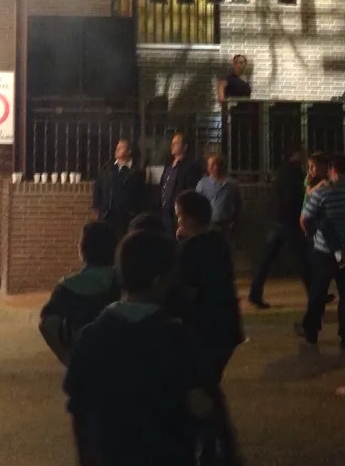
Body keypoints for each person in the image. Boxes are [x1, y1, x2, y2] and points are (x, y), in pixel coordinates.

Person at [63, 229, 211, 466]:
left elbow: (79, 407)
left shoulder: (90, 337)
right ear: (159, 280)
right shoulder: (174, 336)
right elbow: (199, 404)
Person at [173, 189, 244, 466]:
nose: (177, 221)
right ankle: (219, 449)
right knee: (208, 386)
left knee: (203, 389)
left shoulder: (190, 251)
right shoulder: (218, 242)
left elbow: (188, 292)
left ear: (188, 218)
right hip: (227, 327)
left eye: (179, 216)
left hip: (205, 329)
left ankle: (217, 451)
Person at [299, 153, 345, 353]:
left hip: (325, 250)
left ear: (331, 169)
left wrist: (310, 232)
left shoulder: (324, 191)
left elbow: (305, 218)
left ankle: (312, 332)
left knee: (318, 292)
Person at [38, 220, 119, 366]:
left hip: (83, 359)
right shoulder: (121, 281)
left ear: (83, 249)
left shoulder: (67, 286)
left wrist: (67, 358)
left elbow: (47, 324)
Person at [249, 149, 310, 309]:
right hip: (288, 221)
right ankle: (316, 293)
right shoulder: (294, 173)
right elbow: (293, 197)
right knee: (302, 258)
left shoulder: (282, 172)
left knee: (267, 259)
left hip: (277, 220)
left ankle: (255, 292)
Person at [91, 139, 147, 238]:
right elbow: (98, 187)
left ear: (129, 151)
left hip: (126, 219)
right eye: (117, 147)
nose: (117, 150)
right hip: (107, 216)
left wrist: (134, 213)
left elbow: (142, 195)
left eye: (121, 148)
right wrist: (98, 208)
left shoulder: (137, 172)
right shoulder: (107, 169)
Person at [158, 131, 203, 235]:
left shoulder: (191, 166)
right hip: (165, 212)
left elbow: (190, 189)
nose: (172, 145)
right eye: (172, 143)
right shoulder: (168, 166)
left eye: (177, 143)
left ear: (185, 146)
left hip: (179, 214)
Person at [195, 154, 241, 236]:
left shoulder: (232, 184)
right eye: (211, 165)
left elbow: (238, 204)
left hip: (226, 226)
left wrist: (235, 222)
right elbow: (197, 204)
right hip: (209, 225)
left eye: (216, 164)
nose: (214, 167)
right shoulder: (202, 184)